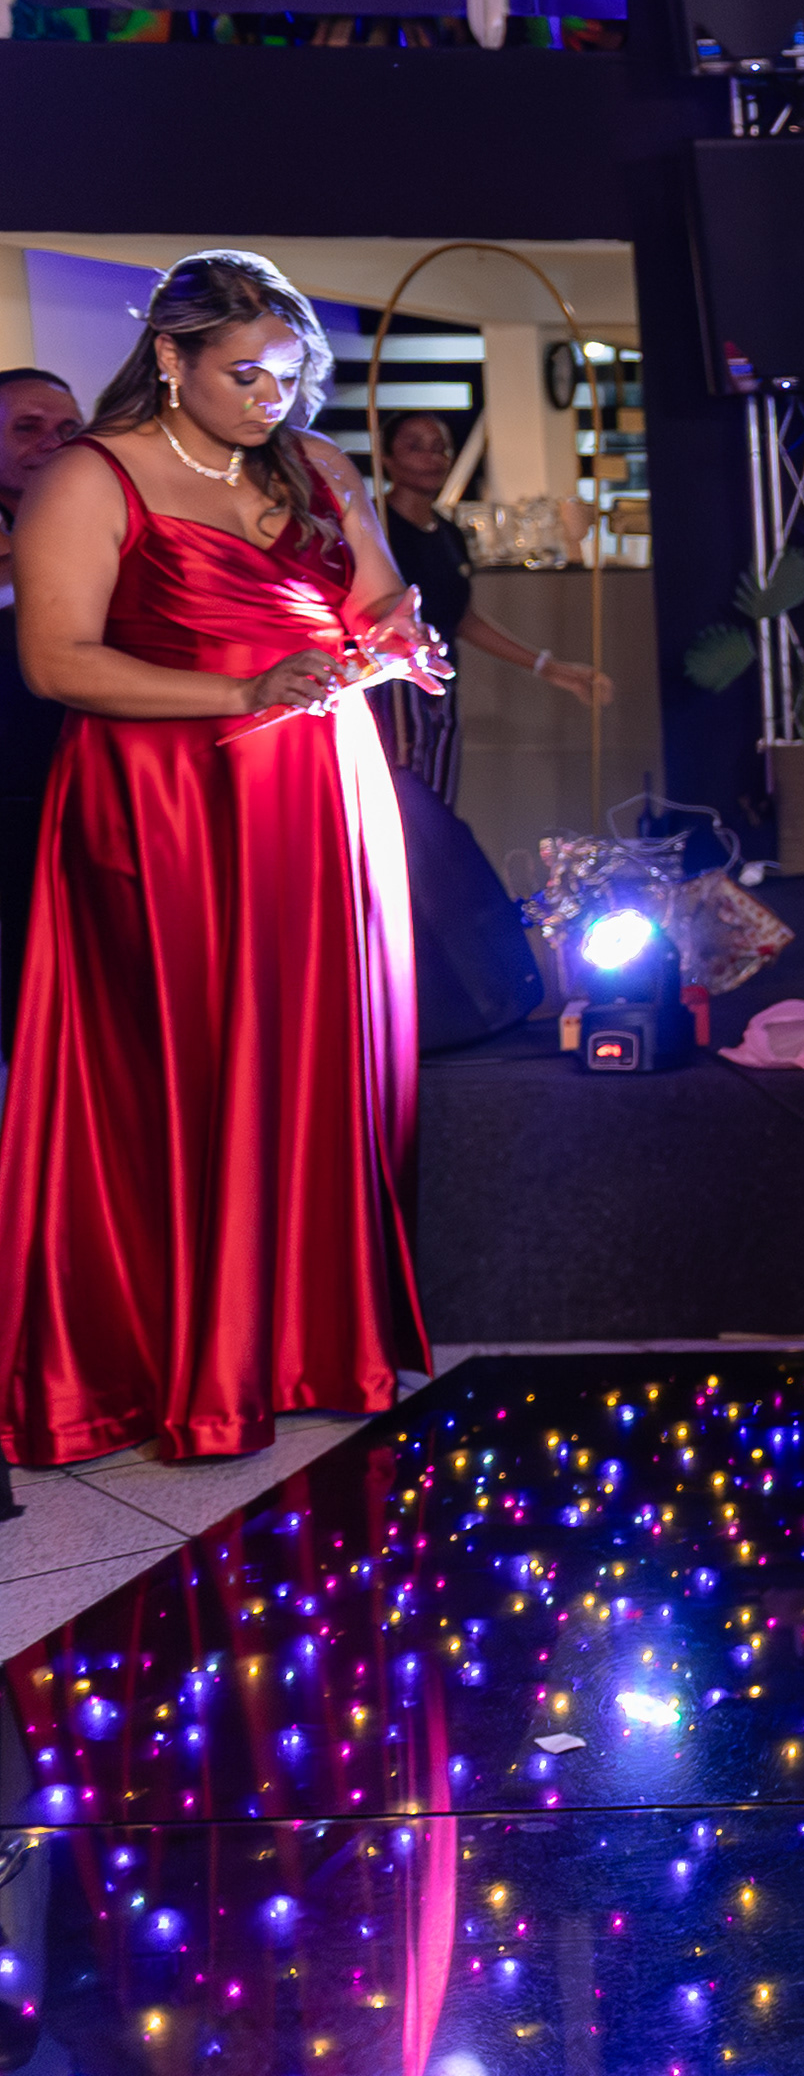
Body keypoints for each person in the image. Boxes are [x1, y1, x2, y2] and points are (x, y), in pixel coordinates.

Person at [0, 252, 438, 1464]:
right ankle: (174, 1364)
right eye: (246, 374)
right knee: (175, 1074)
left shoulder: (316, 466)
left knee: (317, 1063)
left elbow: (375, 604)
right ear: (170, 357)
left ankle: (306, 1342)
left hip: (320, 792)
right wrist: (243, 688)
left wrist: (400, 647)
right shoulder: (89, 475)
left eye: (290, 376)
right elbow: (56, 662)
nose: (272, 399)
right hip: (167, 806)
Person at [371, 409, 611, 806]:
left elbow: (460, 617)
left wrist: (549, 667)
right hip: (392, 690)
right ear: (386, 458)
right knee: (400, 804)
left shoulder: (448, 532)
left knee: (439, 802)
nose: (431, 458)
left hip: (442, 688)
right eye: (415, 447)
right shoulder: (376, 527)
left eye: (440, 448)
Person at [0, 369, 87, 1051]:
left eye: (68, 430)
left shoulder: (88, 517)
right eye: (27, 428)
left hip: (82, 771)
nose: (52, 444)